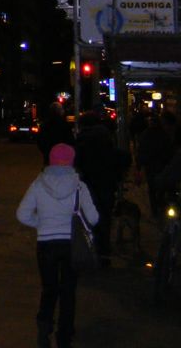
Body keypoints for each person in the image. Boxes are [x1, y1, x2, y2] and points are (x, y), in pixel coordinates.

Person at [16, 143, 99, 348]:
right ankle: (64, 336)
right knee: (68, 291)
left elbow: (22, 214)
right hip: (71, 244)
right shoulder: (79, 185)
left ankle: (44, 330)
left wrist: (41, 223)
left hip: (46, 244)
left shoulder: (38, 183)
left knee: (49, 289)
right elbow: (94, 218)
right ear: (72, 161)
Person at [73, 109, 122, 266]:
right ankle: (103, 253)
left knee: (88, 218)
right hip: (106, 183)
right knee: (104, 218)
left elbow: (76, 162)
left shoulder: (82, 140)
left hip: (89, 184)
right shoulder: (106, 137)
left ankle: (89, 251)